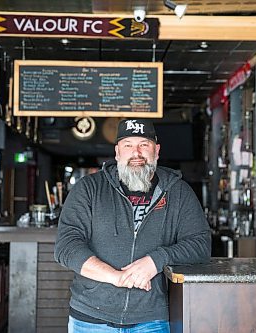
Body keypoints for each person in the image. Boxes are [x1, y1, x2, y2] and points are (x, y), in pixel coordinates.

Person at [55, 118, 211, 332]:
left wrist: (156, 261)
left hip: (154, 320)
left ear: (156, 151)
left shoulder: (178, 192)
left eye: (143, 145)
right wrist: (117, 277)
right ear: (117, 152)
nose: (136, 153)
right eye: (128, 145)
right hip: (91, 319)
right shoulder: (89, 189)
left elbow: (200, 245)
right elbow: (66, 247)